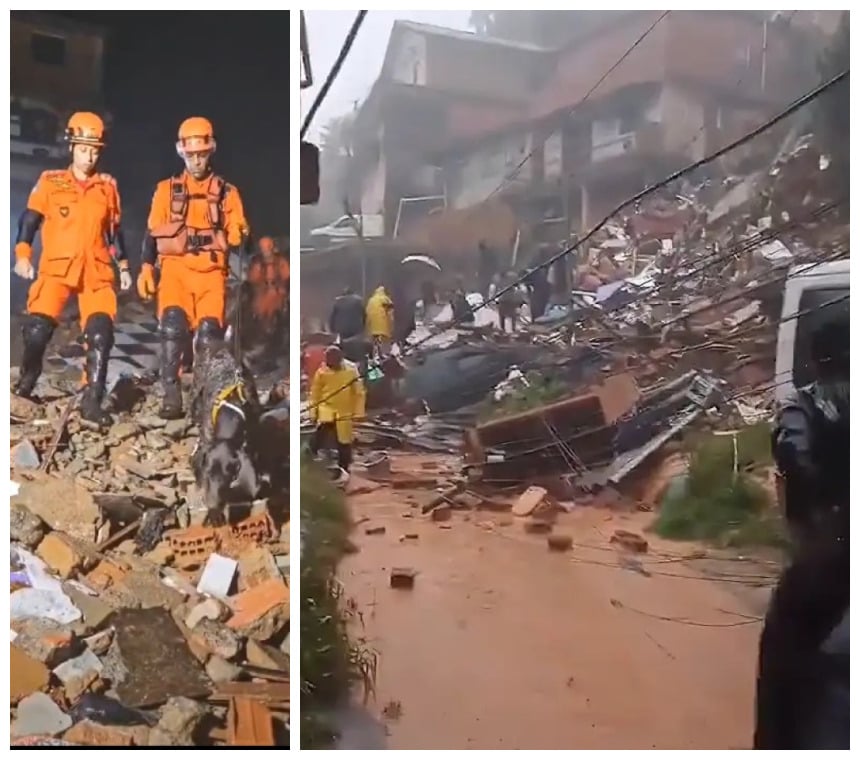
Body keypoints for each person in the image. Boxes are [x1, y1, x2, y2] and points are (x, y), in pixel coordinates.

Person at [756, 320, 849, 749]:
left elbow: (793, 452)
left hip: (828, 553)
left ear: (815, 360)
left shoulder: (804, 405)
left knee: (784, 656)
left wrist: (827, 508)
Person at [13, 111, 130, 426]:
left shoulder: (107, 188)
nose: (88, 155)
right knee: (37, 331)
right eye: (82, 149)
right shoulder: (51, 182)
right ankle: (27, 381)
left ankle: (92, 398)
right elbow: (29, 220)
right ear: (71, 148)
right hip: (57, 268)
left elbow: (114, 232)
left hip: (96, 270)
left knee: (101, 334)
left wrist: (124, 265)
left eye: (94, 150)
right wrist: (22, 254)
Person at [138, 117, 250, 419]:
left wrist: (238, 234)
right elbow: (152, 232)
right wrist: (146, 267)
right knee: (172, 328)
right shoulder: (165, 191)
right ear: (182, 153)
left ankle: (202, 397)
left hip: (211, 273)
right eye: (191, 155)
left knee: (208, 337)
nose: (197, 161)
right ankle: (171, 395)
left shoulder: (227, 193)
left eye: (202, 154)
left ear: (210, 151)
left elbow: (238, 232)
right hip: (175, 270)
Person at [308, 344, 366, 481]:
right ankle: (307, 458)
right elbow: (315, 393)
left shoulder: (351, 370)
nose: (331, 366)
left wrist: (358, 413)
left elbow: (359, 393)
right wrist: (313, 413)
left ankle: (344, 468)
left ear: (340, 359)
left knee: (344, 442)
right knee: (319, 435)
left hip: (344, 410)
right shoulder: (322, 371)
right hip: (326, 408)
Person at [247, 235, 290, 352]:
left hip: (278, 293)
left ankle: (277, 334)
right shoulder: (257, 263)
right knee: (259, 313)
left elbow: (286, 276)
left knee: (278, 313)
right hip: (262, 293)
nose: (266, 252)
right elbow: (252, 279)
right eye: (264, 248)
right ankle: (262, 336)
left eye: (268, 248)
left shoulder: (280, 261)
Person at [365, 285, 394, 356]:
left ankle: (373, 356)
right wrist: (391, 326)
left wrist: (367, 326)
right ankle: (384, 356)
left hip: (373, 328)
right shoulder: (386, 299)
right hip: (384, 328)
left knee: (374, 343)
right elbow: (391, 313)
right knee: (384, 345)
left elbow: (367, 313)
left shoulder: (371, 300)